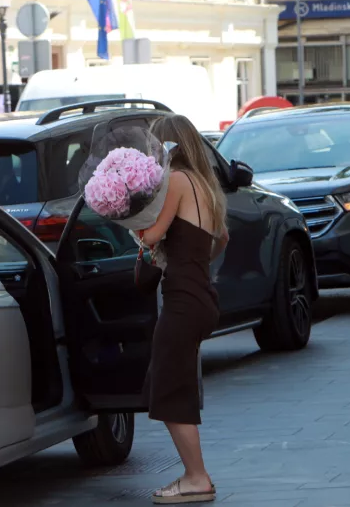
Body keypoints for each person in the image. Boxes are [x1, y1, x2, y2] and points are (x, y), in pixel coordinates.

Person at [139, 114, 229, 504]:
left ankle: (196, 478)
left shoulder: (176, 181)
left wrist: (128, 218)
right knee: (169, 385)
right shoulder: (204, 185)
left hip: (182, 301)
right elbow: (223, 239)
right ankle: (195, 475)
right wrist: (194, 261)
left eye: (154, 146)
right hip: (200, 296)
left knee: (171, 392)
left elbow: (151, 236)